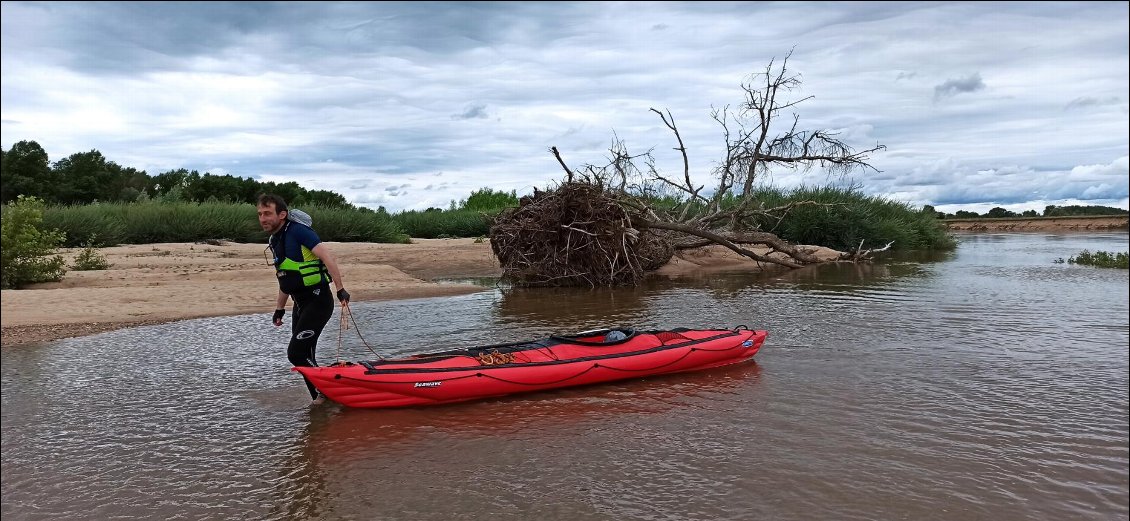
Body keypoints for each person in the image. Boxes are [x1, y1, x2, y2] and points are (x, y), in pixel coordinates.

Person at [257, 193, 350, 403]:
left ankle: (329, 394)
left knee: (296, 353)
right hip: (299, 304)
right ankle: (320, 397)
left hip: (318, 301)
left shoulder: (300, 232)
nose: (263, 218)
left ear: (282, 214)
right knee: (305, 353)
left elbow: (327, 257)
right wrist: (279, 308)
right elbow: (285, 277)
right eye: (260, 214)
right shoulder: (275, 239)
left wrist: (340, 289)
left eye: (267, 213)